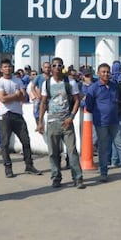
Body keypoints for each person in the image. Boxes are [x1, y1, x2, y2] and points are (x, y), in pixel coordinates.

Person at [85, 63, 121, 183]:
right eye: (103, 72)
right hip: (101, 123)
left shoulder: (114, 86)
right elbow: (88, 106)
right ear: (98, 73)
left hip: (114, 121)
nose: (106, 74)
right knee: (103, 148)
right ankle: (103, 173)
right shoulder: (93, 88)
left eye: (107, 72)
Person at [38, 57, 85, 189]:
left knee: (72, 151)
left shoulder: (70, 82)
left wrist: (71, 117)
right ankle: (56, 177)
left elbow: (77, 100)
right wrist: (40, 121)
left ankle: (78, 178)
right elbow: (43, 102)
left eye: (60, 65)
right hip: (52, 121)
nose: (57, 68)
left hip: (67, 122)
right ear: (51, 68)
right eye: (54, 65)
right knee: (53, 152)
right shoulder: (46, 84)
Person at [0, 58, 42, 178]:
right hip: (4, 115)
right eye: (5, 67)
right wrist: (15, 95)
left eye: (9, 66)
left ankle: (29, 165)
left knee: (26, 140)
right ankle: (8, 167)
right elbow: (3, 99)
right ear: (1, 69)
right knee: (5, 143)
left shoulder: (18, 81)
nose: (8, 69)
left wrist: (15, 96)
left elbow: (23, 97)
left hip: (17, 114)